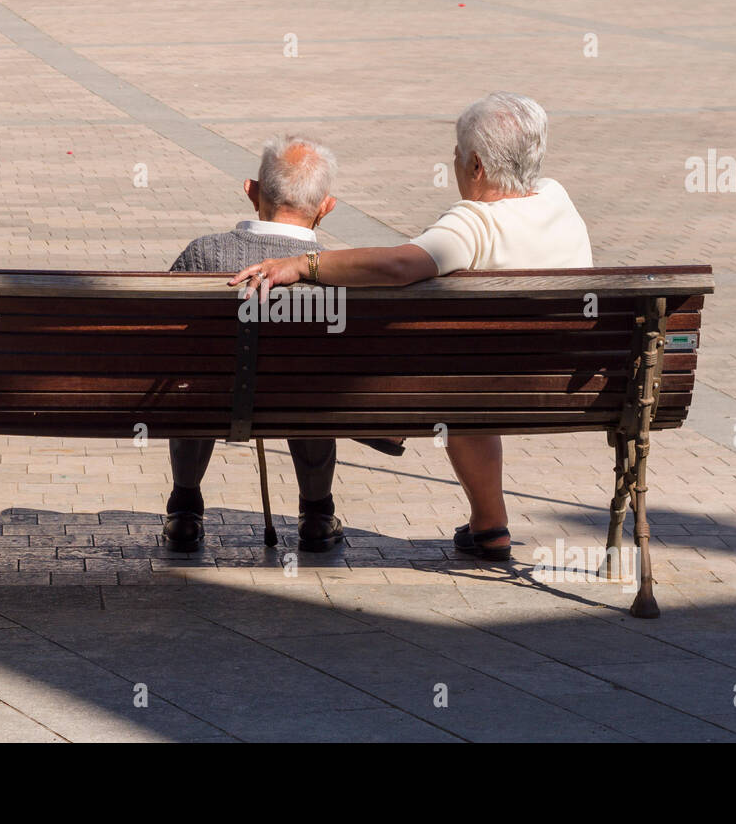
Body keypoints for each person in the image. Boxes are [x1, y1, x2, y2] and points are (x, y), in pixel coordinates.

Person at [230, 92, 592, 561]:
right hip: (568, 384)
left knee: (449, 376)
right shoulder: (557, 199)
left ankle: (388, 424)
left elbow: (399, 266)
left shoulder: (475, 223)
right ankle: (489, 526)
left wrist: (304, 264)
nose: (457, 165)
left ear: (478, 167)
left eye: (459, 157)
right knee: (469, 374)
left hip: (483, 388)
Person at [164, 135, 345, 554]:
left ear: (252, 192)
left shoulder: (203, 255)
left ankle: (184, 511)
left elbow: (169, 344)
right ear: (326, 207)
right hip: (303, 403)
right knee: (313, 385)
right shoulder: (338, 272)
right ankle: (317, 514)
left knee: (197, 376)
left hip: (215, 400)